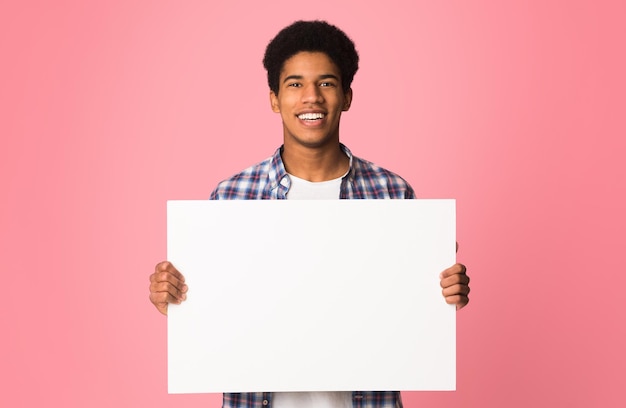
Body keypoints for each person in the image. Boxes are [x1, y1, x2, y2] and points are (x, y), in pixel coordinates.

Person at [149, 20, 470, 408]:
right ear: (274, 98)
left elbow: (412, 318)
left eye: (327, 83)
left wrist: (442, 295)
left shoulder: (392, 194)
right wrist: (177, 300)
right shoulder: (231, 197)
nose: (311, 98)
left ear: (347, 96)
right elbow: (216, 315)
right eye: (295, 84)